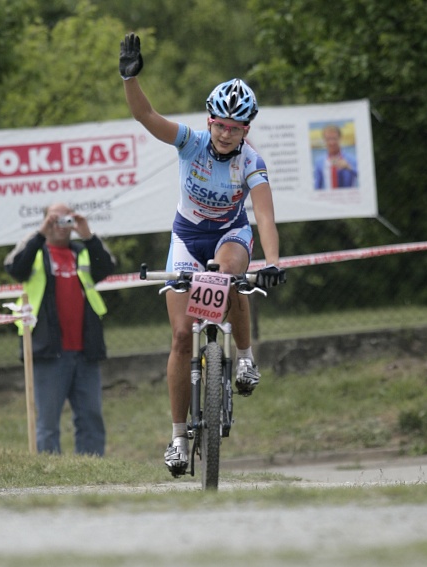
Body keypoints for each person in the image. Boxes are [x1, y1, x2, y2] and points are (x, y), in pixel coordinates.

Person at [120, 33, 285, 476]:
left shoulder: (250, 161)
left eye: (237, 128)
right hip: (187, 237)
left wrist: (270, 262)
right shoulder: (190, 143)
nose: (227, 134)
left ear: (246, 131)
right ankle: (177, 437)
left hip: (230, 234)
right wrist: (129, 78)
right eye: (221, 125)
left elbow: (265, 217)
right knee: (180, 336)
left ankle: (246, 358)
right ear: (209, 121)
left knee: (230, 275)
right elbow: (145, 114)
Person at [4, 204, 115, 455]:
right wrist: (40, 233)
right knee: (48, 423)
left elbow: (107, 267)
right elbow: (15, 267)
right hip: (48, 350)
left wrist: (88, 235)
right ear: (44, 223)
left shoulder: (82, 251)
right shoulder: (35, 251)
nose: (60, 226)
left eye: (65, 219)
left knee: (91, 418)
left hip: (86, 350)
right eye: (54, 219)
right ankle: (50, 471)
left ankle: (92, 469)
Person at [313, 124, 358, 189]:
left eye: (334, 138)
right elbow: (317, 186)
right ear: (324, 140)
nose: (332, 143)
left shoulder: (351, 159)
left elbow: (366, 177)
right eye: (328, 139)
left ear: (340, 139)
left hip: (348, 197)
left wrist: (349, 167)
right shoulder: (319, 162)